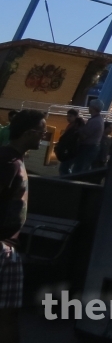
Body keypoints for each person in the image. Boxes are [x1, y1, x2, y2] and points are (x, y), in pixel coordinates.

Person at [0, 109, 47, 343]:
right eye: (41, 132)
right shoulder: (7, 162)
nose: (44, 137)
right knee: (7, 315)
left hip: (8, 247)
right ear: (28, 133)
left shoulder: (12, 159)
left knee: (9, 314)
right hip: (3, 247)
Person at [70, 101, 104, 175]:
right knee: (83, 168)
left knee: (79, 169)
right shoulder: (98, 119)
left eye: (90, 106)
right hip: (91, 147)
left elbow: (84, 136)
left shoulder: (94, 121)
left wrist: (78, 130)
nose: (89, 108)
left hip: (88, 148)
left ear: (93, 108)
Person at [54, 109, 84, 177]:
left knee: (63, 168)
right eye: (67, 116)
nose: (68, 118)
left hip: (71, 151)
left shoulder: (76, 127)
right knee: (65, 168)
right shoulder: (73, 125)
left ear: (76, 116)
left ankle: (68, 180)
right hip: (70, 151)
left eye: (70, 116)